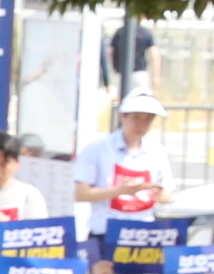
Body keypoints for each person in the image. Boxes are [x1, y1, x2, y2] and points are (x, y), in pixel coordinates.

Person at [72, 90, 173, 218]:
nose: (141, 125)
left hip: (143, 230)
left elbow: (166, 196)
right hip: (106, 231)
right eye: (135, 117)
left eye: (147, 119)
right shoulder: (97, 149)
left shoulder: (157, 151)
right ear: (122, 116)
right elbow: (81, 194)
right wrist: (120, 191)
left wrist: (157, 192)